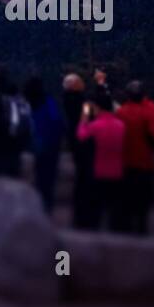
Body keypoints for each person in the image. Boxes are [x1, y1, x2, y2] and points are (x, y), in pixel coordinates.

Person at [116, 80, 154, 233]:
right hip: (144, 161)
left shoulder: (121, 112)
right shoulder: (150, 109)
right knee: (143, 199)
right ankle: (141, 227)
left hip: (126, 161)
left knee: (127, 198)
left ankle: (126, 227)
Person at [76, 96, 126, 232]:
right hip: (117, 171)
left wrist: (85, 115)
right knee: (115, 209)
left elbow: (81, 135)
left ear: (97, 108)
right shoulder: (121, 125)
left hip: (99, 171)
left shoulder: (95, 126)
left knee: (96, 208)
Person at [25, 76, 64, 213]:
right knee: (48, 178)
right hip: (50, 144)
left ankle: (38, 206)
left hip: (37, 143)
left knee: (40, 175)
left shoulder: (29, 102)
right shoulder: (48, 101)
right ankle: (45, 206)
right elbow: (56, 121)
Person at [62, 73, 95, 228]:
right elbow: (87, 117)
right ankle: (85, 214)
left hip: (73, 138)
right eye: (80, 82)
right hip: (83, 139)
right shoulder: (83, 102)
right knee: (85, 176)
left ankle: (79, 213)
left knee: (81, 176)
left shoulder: (66, 99)